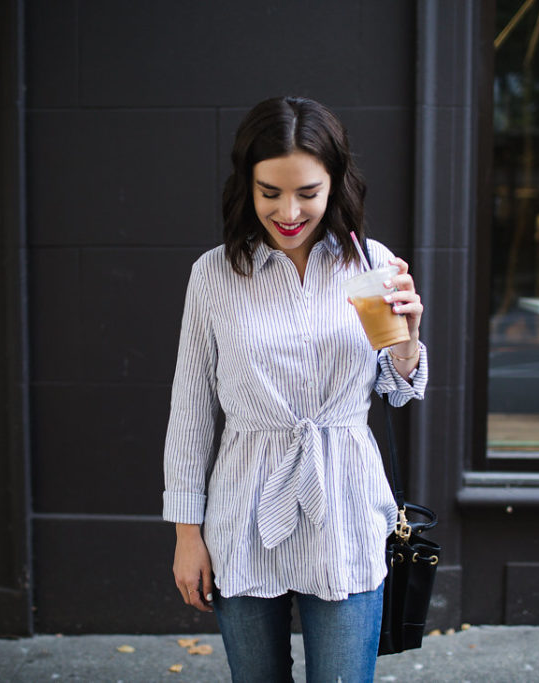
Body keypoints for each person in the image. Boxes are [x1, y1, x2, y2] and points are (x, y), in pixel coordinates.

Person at [163, 96, 428, 682]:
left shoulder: (371, 264)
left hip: (346, 508)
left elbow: (399, 388)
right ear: (247, 186)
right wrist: (188, 534)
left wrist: (407, 340)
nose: (288, 211)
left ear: (335, 184)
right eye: (270, 192)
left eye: (307, 192)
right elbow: (190, 413)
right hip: (243, 511)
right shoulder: (214, 274)